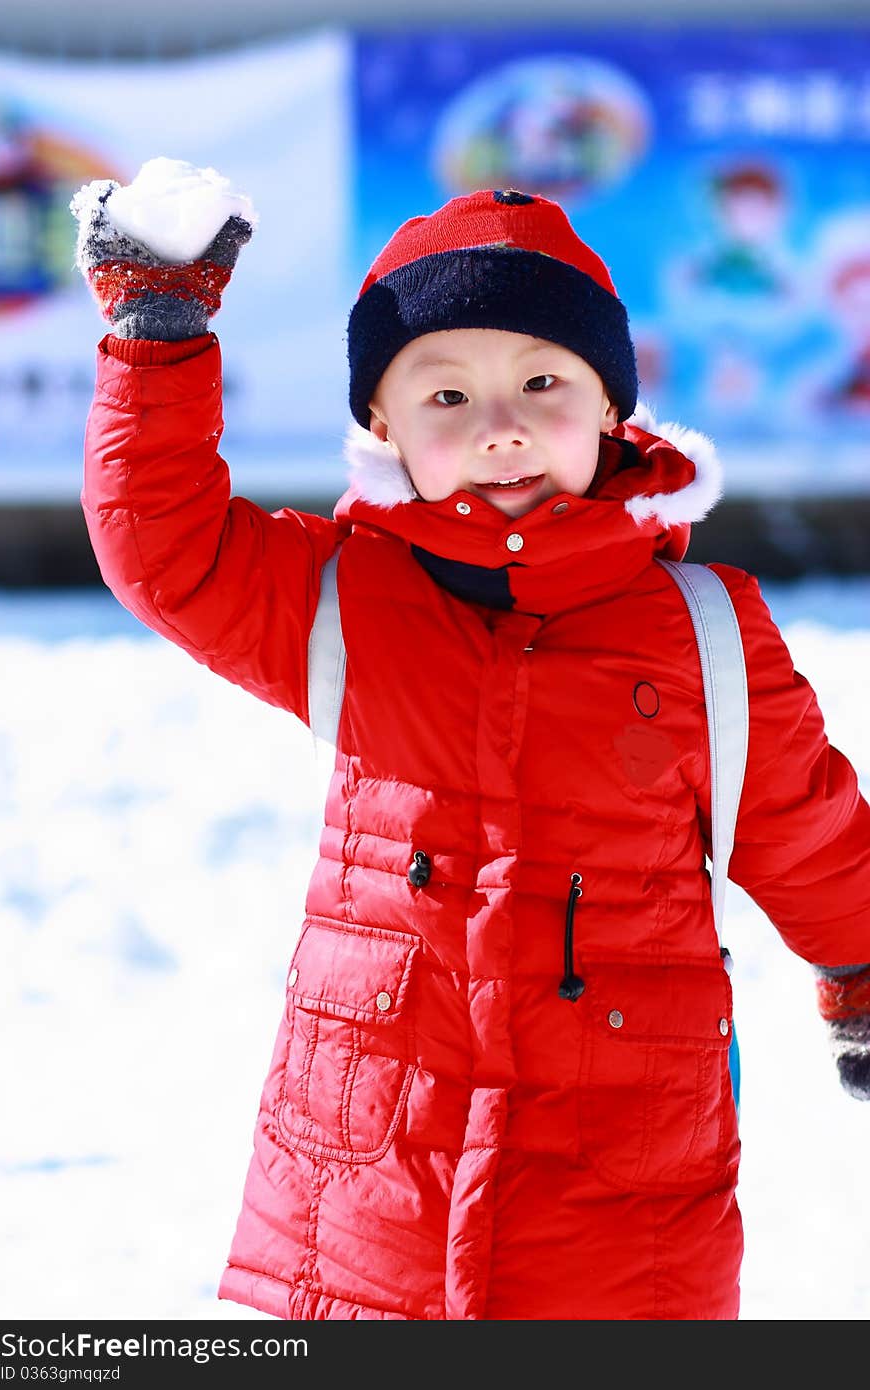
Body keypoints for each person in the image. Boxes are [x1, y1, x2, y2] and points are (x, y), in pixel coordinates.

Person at [70, 172, 870, 1322]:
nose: (497, 425)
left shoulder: (701, 630)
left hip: (623, 1209)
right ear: (383, 426)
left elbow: (804, 820)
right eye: (443, 394)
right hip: (369, 1191)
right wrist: (160, 327)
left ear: (610, 410)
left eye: (540, 382)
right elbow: (166, 544)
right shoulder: (341, 597)